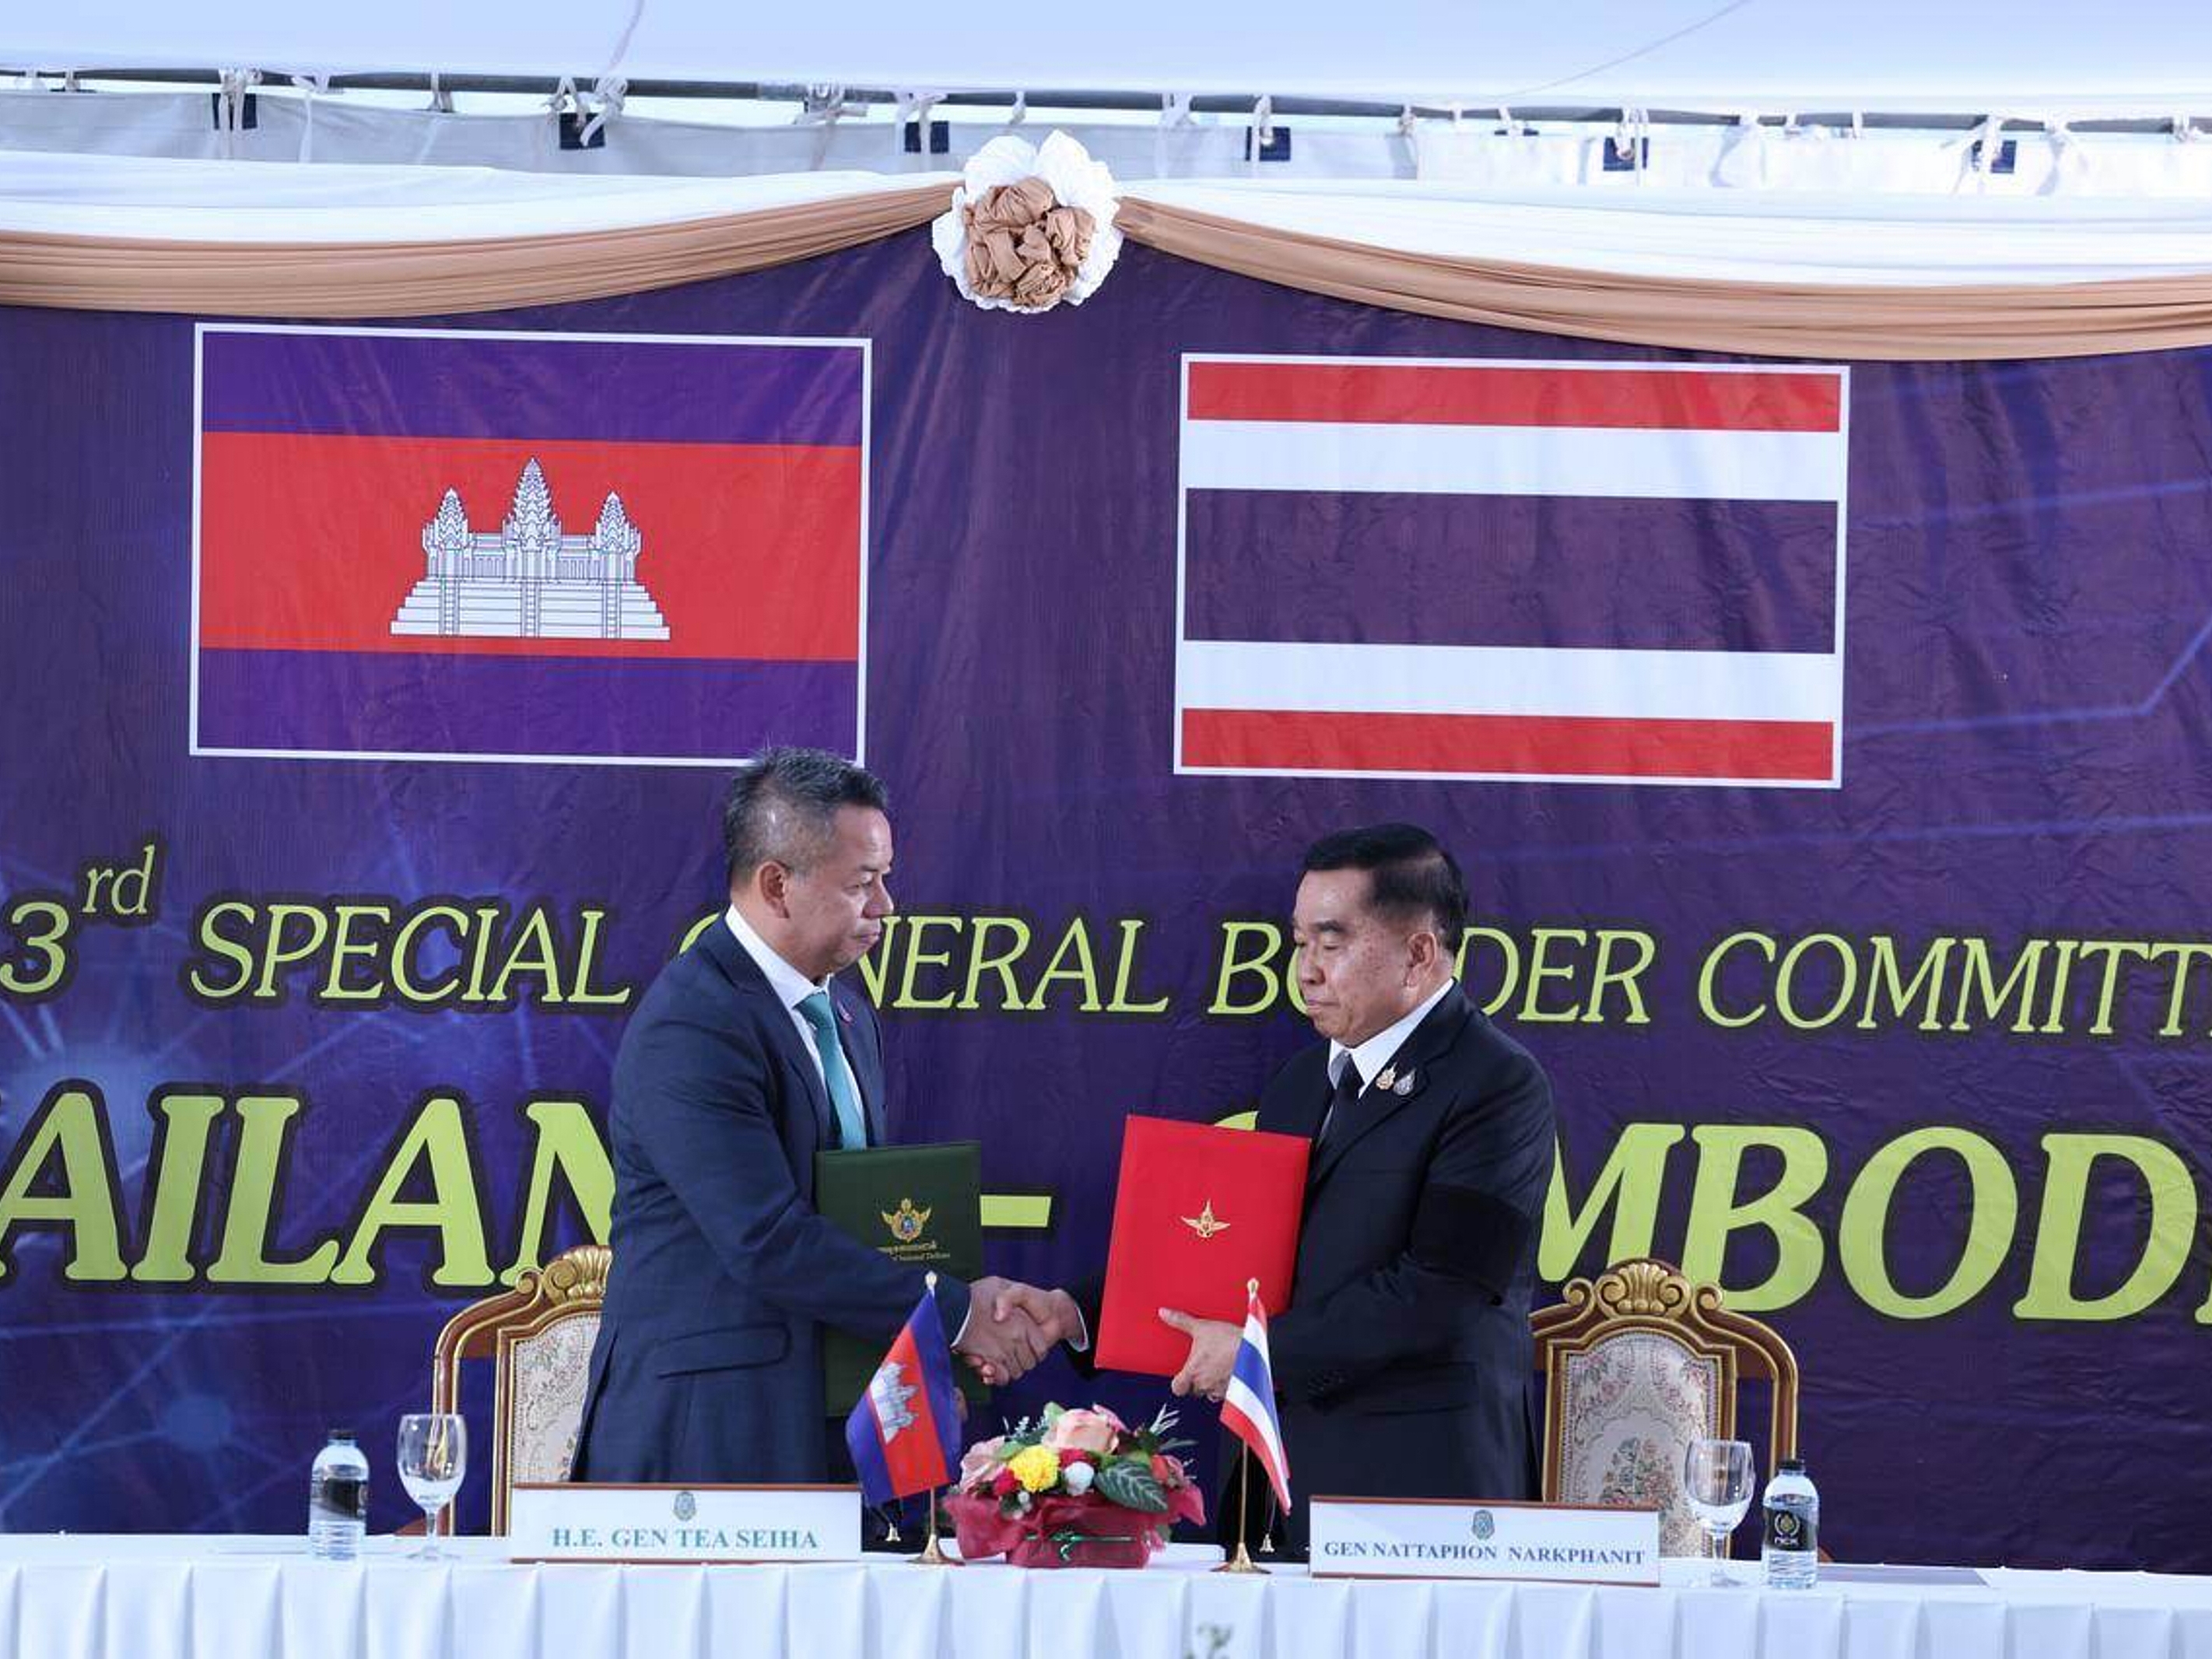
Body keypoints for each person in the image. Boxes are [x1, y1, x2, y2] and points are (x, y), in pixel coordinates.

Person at [1001, 822, 1555, 1557]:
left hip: (1420, 1485)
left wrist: (1257, 1354)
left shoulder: (1496, 1084)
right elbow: (1240, 1252)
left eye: (1332, 943)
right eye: (1299, 943)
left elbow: (1444, 1292)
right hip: (1280, 1480)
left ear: (1419, 952)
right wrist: (1079, 1314)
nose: (1306, 970)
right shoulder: (1301, 1083)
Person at [570, 747, 1050, 1488]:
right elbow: (765, 1239)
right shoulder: (694, 1025)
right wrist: (952, 1316)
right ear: (776, 885)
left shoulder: (847, 1013)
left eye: (886, 878)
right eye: (864, 883)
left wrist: (915, 1356)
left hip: (824, 1424)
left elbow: (855, 1223)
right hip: (709, 1438)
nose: (887, 905)